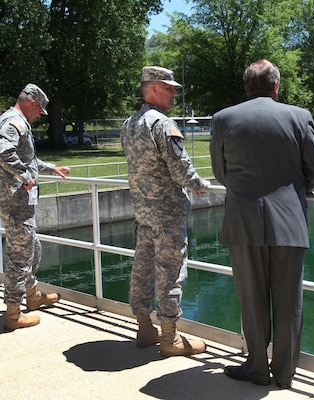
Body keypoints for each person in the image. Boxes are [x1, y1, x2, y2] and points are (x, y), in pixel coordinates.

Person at [210, 60, 314, 389]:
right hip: (289, 221)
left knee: (251, 297)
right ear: (276, 87)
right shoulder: (299, 117)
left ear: (247, 87)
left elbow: (222, 174)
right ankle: (284, 374)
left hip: (242, 221)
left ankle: (257, 367)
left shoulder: (223, 119)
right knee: (289, 302)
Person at [121, 66, 210, 356]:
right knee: (170, 273)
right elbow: (180, 167)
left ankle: (145, 329)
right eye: (170, 88)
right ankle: (170, 338)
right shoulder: (161, 123)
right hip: (168, 214)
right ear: (153, 88)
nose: (175, 93)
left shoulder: (130, 123)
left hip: (143, 213)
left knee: (142, 270)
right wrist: (199, 183)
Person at [0, 83, 71, 331]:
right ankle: (13, 313)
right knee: (19, 257)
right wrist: (24, 177)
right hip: (16, 202)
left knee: (32, 247)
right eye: (40, 109)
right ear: (32, 103)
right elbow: (4, 151)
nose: (40, 114)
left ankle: (32, 295)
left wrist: (52, 168)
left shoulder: (17, 121)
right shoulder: (15, 122)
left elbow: (28, 158)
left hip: (19, 202)